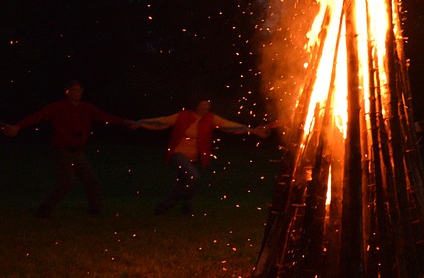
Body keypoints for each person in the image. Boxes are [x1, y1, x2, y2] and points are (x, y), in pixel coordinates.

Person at [2, 80, 137, 216]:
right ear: (67, 92)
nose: (77, 93)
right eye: (74, 90)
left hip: (77, 151)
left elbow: (106, 117)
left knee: (91, 180)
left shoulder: (87, 108)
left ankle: (94, 209)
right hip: (62, 150)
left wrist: (125, 122)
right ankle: (45, 209)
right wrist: (18, 126)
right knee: (67, 181)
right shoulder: (57, 107)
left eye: (80, 90)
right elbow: (37, 117)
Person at [138, 98, 271, 215]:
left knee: (186, 183)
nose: (206, 107)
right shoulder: (183, 116)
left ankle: (175, 206)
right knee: (193, 177)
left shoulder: (210, 118)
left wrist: (251, 130)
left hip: (194, 157)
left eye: (208, 105)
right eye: (204, 105)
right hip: (178, 154)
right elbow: (163, 121)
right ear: (196, 106)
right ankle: (172, 204)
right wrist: (141, 122)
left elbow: (229, 125)